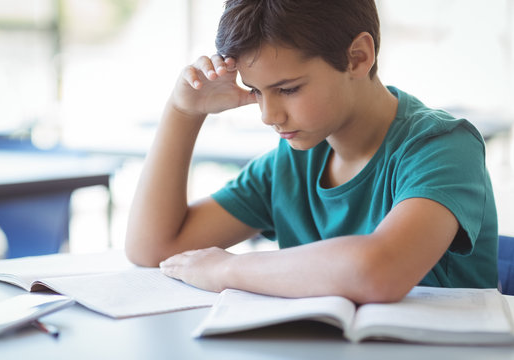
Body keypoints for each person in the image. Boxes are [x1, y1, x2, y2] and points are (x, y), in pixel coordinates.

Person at [125, 0, 498, 304]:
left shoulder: (443, 146)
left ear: (358, 57)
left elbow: (378, 271)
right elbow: (154, 247)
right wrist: (183, 112)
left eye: (288, 89)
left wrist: (227, 269)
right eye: (256, 91)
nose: (268, 115)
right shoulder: (293, 159)